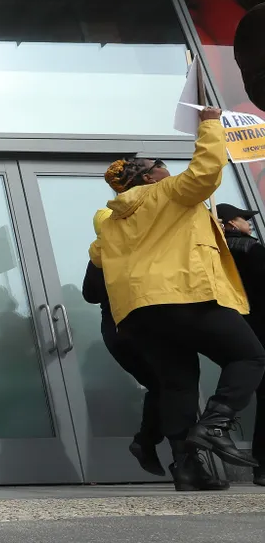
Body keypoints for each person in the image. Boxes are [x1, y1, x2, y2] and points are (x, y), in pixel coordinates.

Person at [91, 106, 264, 489]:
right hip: (186, 295)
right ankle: (215, 426)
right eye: (162, 164)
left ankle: (188, 470)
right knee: (249, 355)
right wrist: (209, 122)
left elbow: (98, 258)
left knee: (177, 384)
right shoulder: (168, 193)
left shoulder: (111, 220)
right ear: (151, 175)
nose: (168, 169)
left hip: (138, 314)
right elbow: (206, 169)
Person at [82, 208, 167, 479]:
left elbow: (89, 295)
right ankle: (178, 456)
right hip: (138, 326)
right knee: (171, 384)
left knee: (164, 385)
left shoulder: (99, 254)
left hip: (116, 331)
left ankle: (152, 443)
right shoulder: (126, 248)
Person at [216, 202, 265, 486]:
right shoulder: (251, 249)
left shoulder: (216, 255)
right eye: (243, 220)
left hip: (237, 330)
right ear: (231, 224)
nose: (248, 224)